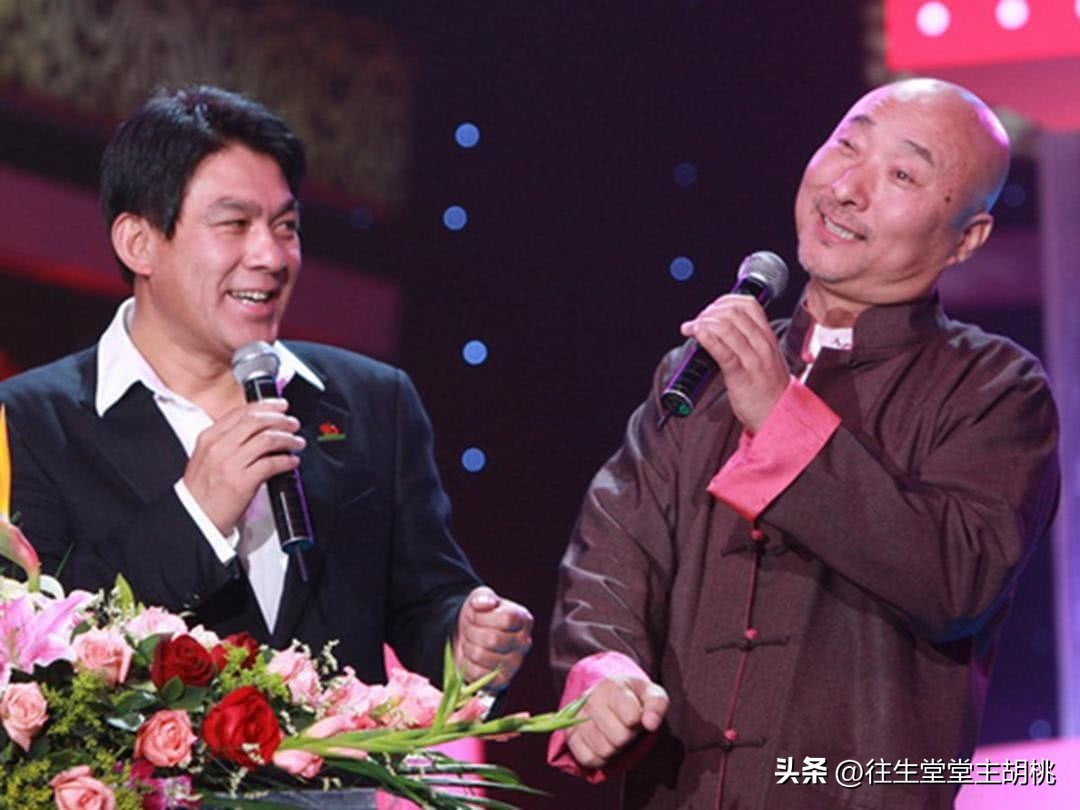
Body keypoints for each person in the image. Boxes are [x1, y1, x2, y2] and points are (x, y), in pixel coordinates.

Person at [547, 78, 1060, 809]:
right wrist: (603, 665)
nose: (847, 189)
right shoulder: (702, 372)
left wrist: (781, 418)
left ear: (966, 239)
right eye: (847, 145)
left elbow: (957, 578)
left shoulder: (995, 389)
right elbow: (613, 549)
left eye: (902, 174)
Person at [0, 85, 532, 691]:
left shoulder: (373, 401)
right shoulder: (29, 424)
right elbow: (33, 648)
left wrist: (465, 640)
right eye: (235, 224)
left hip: (339, 757)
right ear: (138, 243)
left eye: (286, 227)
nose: (272, 257)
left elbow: (425, 601)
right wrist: (196, 514)